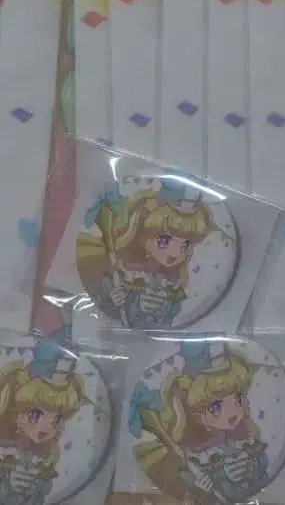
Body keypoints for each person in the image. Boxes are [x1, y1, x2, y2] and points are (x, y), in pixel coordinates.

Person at [130, 343, 270, 505]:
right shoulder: (194, 458)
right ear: (197, 415)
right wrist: (201, 489)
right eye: (216, 407)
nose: (232, 411)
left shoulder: (246, 441)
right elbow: (188, 494)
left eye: (238, 399)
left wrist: (251, 468)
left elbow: (262, 477)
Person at [77, 179, 215, 329]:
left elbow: (172, 317)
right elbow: (107, 300)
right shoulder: (127, 273)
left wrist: (163, 309)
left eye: (185, 245)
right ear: (144, 239)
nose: (174, 253)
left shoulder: (174, 285)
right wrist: (116, 300)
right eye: (164, 241)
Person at [0, 339, 85, 505]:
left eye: (56, 419)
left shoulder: (45, 458)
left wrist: (34, 486)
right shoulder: (5, 450)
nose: (47, 428)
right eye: (35, 415)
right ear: (16, 414)